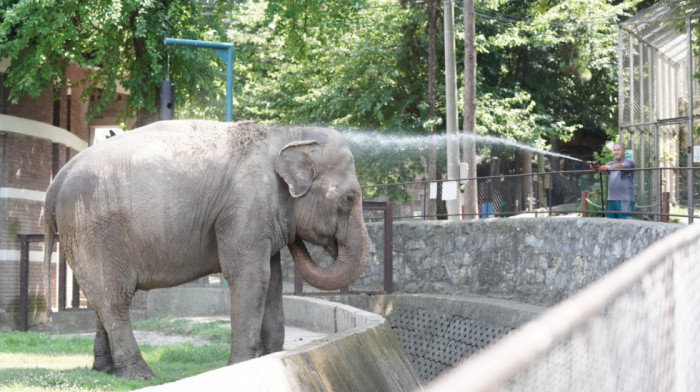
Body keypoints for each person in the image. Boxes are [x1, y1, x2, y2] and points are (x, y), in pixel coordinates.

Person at [597, 143, 635, 219]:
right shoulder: (610, 163)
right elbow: (602, 171)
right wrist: (596, 167)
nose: (616, 152)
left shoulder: (629, 162)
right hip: (611, 200)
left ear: (624, 151)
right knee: (610, 224)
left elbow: (620, 166)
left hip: (624, 200)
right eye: (614, 150)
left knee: (625, 225)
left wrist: (607, 167)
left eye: (618, 150)